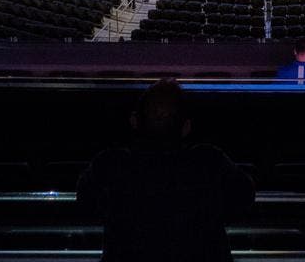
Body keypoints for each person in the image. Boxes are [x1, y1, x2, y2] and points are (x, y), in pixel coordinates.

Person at [76, 80, 254, 262]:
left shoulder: (109, 165)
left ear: (134, 121)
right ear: (186, 127)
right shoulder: (211, 162)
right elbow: (244, 198)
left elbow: (86, 206)